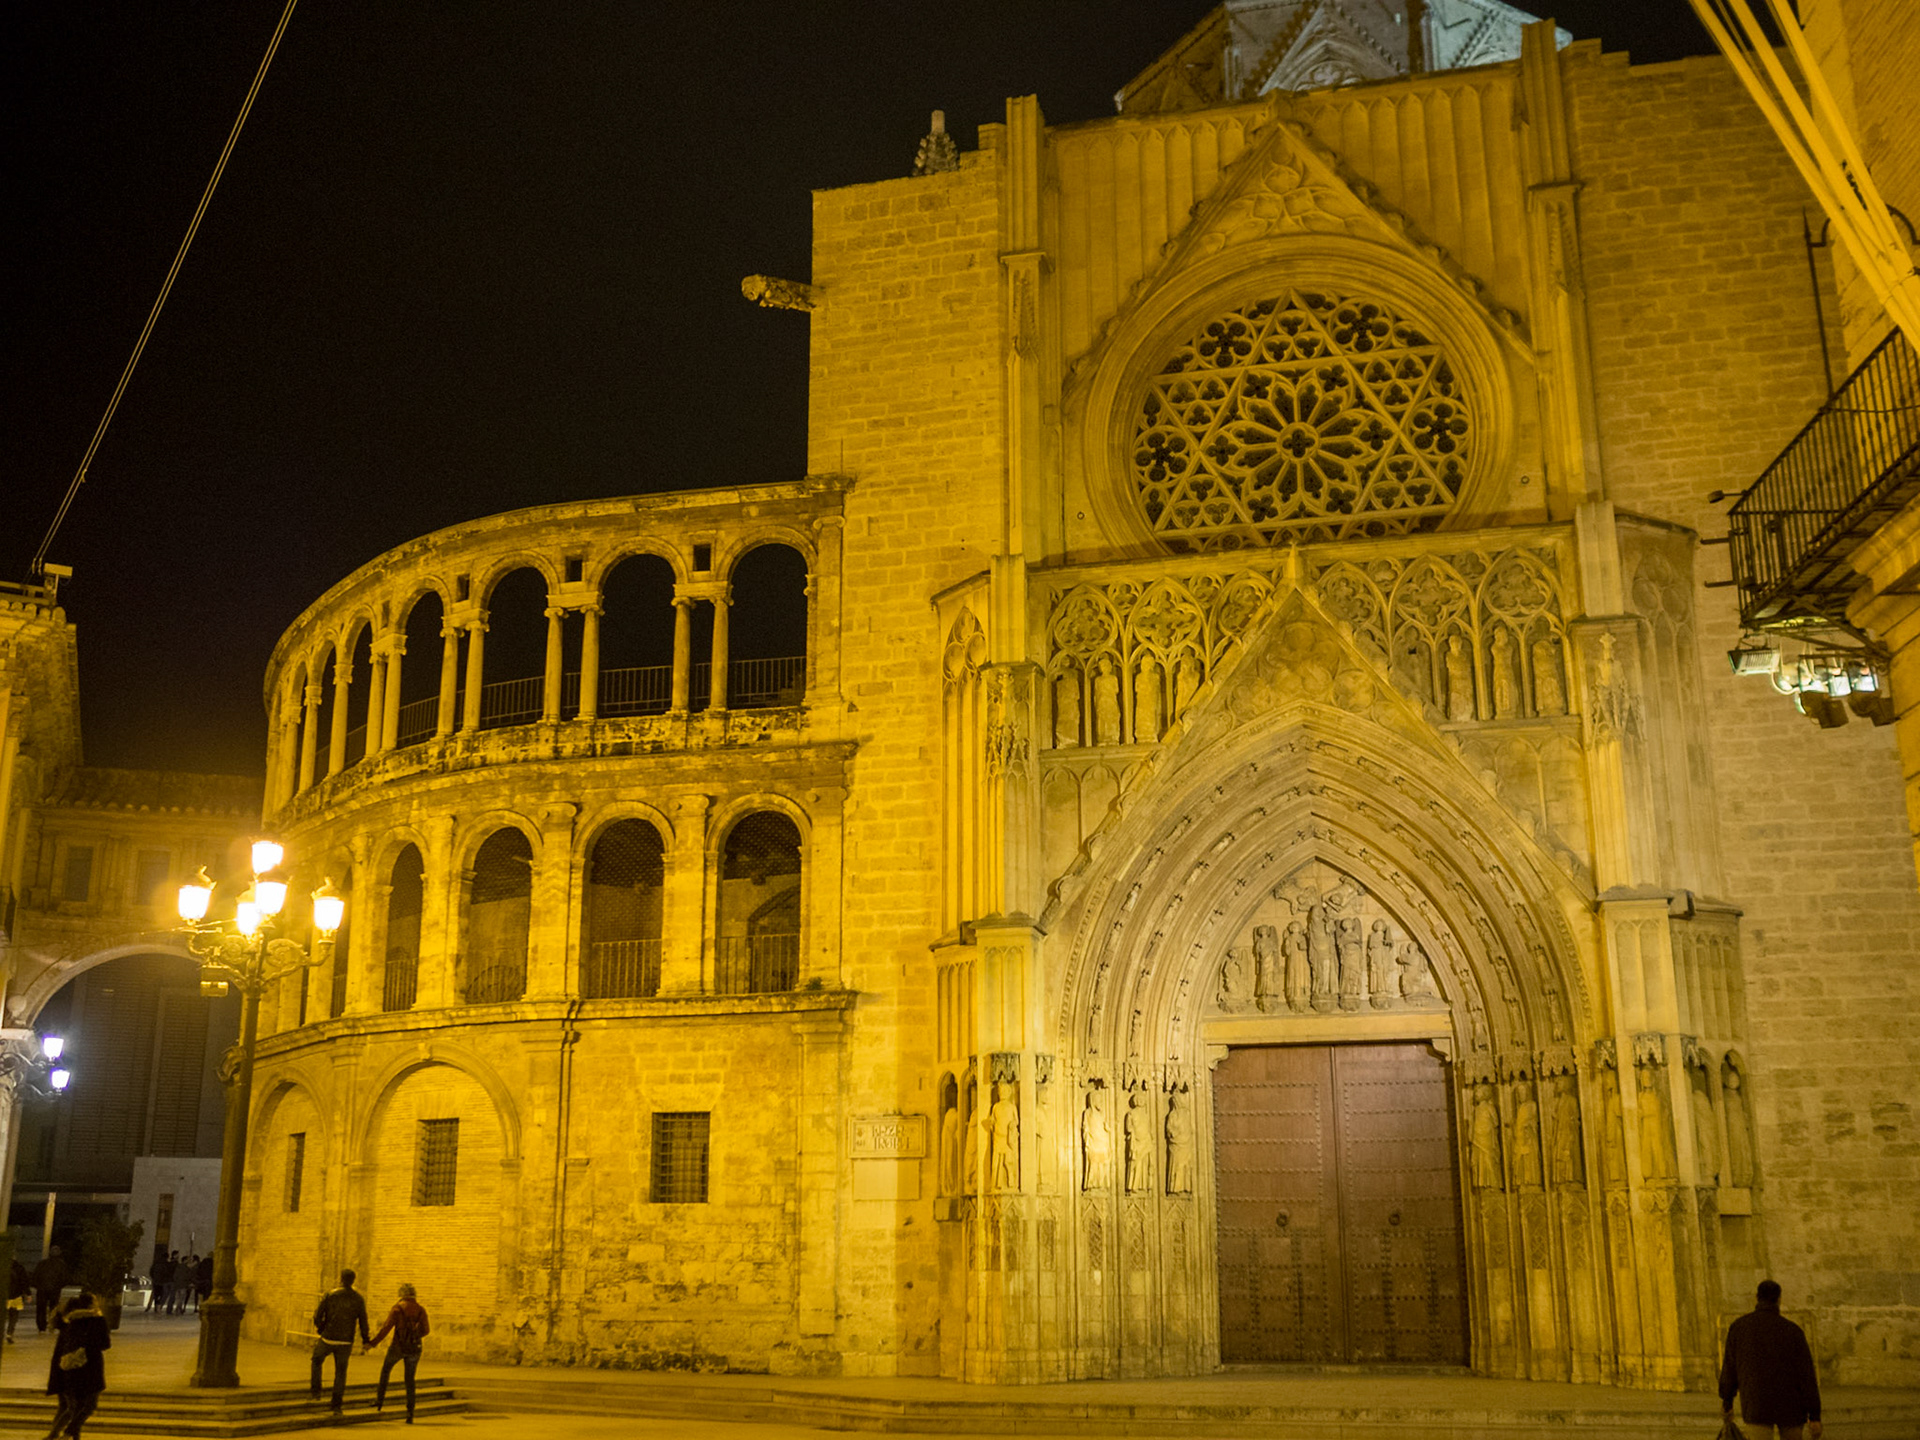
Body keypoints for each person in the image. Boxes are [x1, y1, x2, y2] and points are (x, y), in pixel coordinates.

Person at [1720, 1279, 1822, 1439]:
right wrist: (1815, 1415)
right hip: (1791, 1406)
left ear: (1757, 1297)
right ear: (1779, 1299)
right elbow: (1806, 1375)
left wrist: (1727, 1401)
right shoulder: (1793, 1331)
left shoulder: (1739, 1328)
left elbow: (1729, 1369)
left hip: (1756, 1404)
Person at [45, 1290, 110, 1440]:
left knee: (73, 1407)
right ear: (91, 1304)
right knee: (88, 1405)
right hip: (92, 1366)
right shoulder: (97, 1321)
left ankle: (57, 1435)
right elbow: (105, 1344)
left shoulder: (71, 1322)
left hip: (71, 1369)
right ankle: (67, 1433)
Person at [367, 1282, 430, 1424]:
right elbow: (426, 1330)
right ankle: (410, 1413)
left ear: (401, 1295)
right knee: (410, 1380)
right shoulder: (421, 1310)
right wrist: (414, 1336)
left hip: (398, 1347)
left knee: (385, 1371)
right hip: (414, 1348)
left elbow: (386, 1328)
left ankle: (379, 1401)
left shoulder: (397, 1309)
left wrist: (373, 1343)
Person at [310, 1269, 371, 1413]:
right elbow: (363, 1321)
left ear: (341, 1279)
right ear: (353, 1280)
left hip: (328, 1337)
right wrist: (365, 1339)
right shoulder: (358, 1299)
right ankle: (336, 1405)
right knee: (341, 1372)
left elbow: (318, 1315)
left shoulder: (331, 1295)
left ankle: (316, 1392)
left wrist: (321, 1329)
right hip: (345, 1341)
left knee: (316, 1360)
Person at [31, 1246, 67, 1333]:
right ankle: (53, 1325)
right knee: (54, 1308)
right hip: (55, 1290)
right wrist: (59, 1286)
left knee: (41, 1308)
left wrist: (38, 1286)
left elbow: (35, 1276)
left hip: (42, 1289)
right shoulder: (61, 1265)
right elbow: (65, 1278)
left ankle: (41, 1326)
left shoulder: (42, 1264)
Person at [7, 1256, 28, 1340]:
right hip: (16, 1295)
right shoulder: (19, 1268)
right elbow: (24, 1281)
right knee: (13, 1316)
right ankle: (9, 1333)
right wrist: (28, 1293)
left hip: (4, 1295)